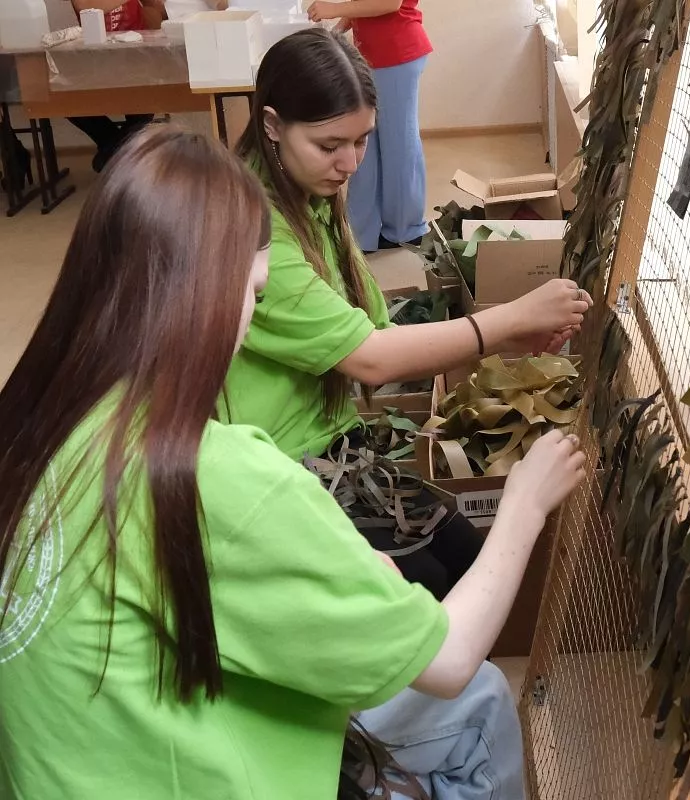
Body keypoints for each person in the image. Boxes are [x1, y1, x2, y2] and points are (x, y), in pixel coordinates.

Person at [0, 124, 585, 798]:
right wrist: (524, 503)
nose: (252, 317)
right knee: (479, 694)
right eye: (252, 292)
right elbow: (449, 659)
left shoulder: (42, 420)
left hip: (87, 761)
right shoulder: (219, 475)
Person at [224, 28, 592, 598]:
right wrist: (511, 319)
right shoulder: (256, 226)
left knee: (464, 555)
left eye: (361, 141)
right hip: (279, 465)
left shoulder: (308, 194)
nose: (350, 163)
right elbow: (371, 358)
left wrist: (504, 338)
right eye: (329, 145)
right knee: (429, 585)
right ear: (272, 125)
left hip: (333, 444)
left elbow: (377, 328)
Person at [307, 0, 432, 252]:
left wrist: (334, 9)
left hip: (396, 55)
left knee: (398, 146)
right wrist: (337, 30)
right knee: (365, 147)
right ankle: (360, 232)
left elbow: (390, 3)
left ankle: (406, 229)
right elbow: (362, 4)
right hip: (373, 57)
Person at [69, 0, 164, 172]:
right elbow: (84, 5)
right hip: (94, 58)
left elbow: (155, 9)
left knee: (145, 96)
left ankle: (114, 152)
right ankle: (116, 148)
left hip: (137, 54)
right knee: (65, 98)